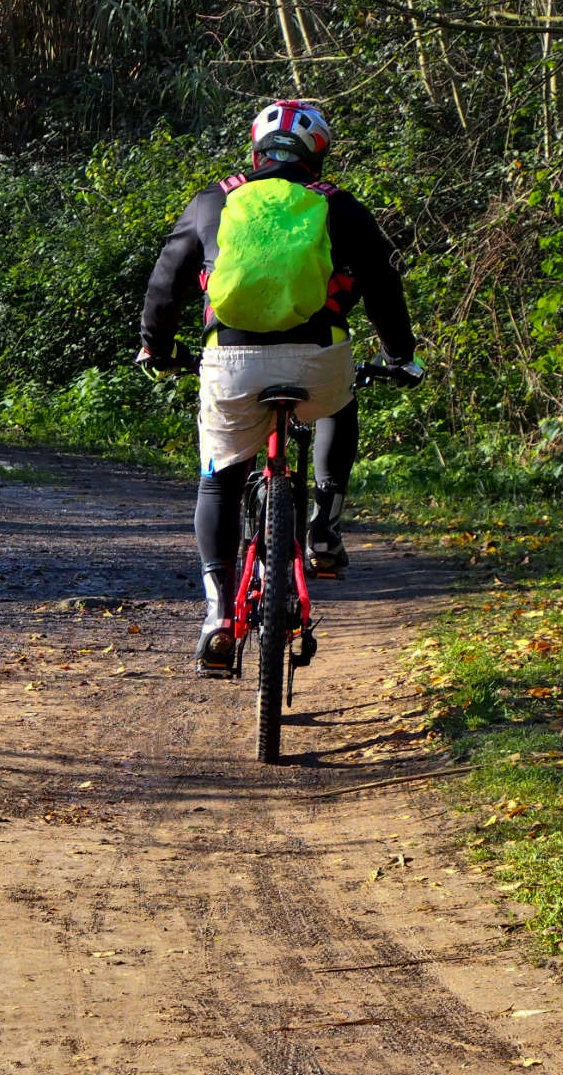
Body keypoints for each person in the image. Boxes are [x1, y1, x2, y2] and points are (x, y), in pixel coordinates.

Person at [137, 99, 421, 674]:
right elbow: (384, 286)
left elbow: (167, 279)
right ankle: (323, 525)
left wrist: (157, 348)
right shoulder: (338, 206)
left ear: (255, 150)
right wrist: (399, 356)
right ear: (317, 155)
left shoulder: (214, 201)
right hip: (318, 359)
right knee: (339, 402)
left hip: (232, 360)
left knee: (218, 477)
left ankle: (218, 612)